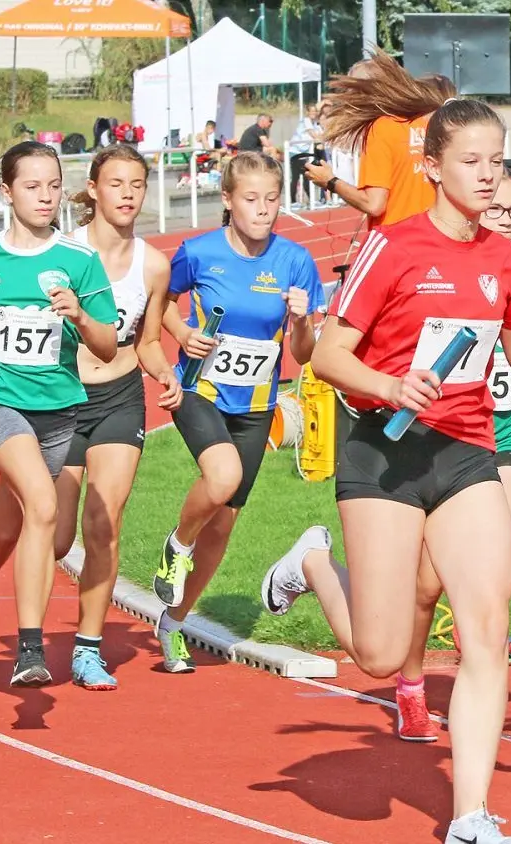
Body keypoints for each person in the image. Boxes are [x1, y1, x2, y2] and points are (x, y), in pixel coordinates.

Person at [260, 99, 511, 844]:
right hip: (384, 453)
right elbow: (328, 355)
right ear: (433, 167)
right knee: (379, 654)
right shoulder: (393, 246)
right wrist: (390, 386)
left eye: (496, 161)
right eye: (471, 161)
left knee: (486, 630)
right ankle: (313, 561)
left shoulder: (503, 259)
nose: (487, 175)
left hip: (467, 453)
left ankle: (470, 816)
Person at [0, 141, 119, 687]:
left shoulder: (80, 261)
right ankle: (29, 651)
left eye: (54, 186)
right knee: (42, 504)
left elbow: (107, 346)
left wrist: (81, 317)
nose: (46, 196)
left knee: (6, 529)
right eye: (32, 187)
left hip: (57, 411)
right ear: (7, 192)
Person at [390, 168, 511, 743]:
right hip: (443, 434)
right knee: (425, 583)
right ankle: (411, 682)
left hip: (501, 434)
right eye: (498, 210)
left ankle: (478, 647)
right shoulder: (444, 263)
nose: (507, 221)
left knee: (504, 550)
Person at [152, 151, 326, 674]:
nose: (263, 209)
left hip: (255, 404)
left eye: (272, 199)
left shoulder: (295, 261)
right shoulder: (198, 253)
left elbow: (305, 353)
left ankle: (173, 623)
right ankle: (177, 544)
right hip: (198, 390)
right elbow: (161, 303)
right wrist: (183, 332)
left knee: (224, 526)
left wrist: (301, 322)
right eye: (251, 199)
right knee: (221, 476)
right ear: (228, 200)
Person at [47, 144, 182, 689]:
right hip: (60, 398)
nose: (127, 194)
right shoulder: (63, 251)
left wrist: (166, 374)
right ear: (94, 189)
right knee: (57, 537)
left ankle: (87, 649)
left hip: (119, 399)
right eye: (116, 183)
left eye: (137, 184)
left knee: (104, 524)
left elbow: (147, 342)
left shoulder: (154, 265)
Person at [302, 53, 451, 230]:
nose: (347, 99)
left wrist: (330, 181)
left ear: (364, 92)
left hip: (396, 236)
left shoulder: (381, 128)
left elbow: (374, 204)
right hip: (434, 233)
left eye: (350, 90)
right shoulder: (426, 121)